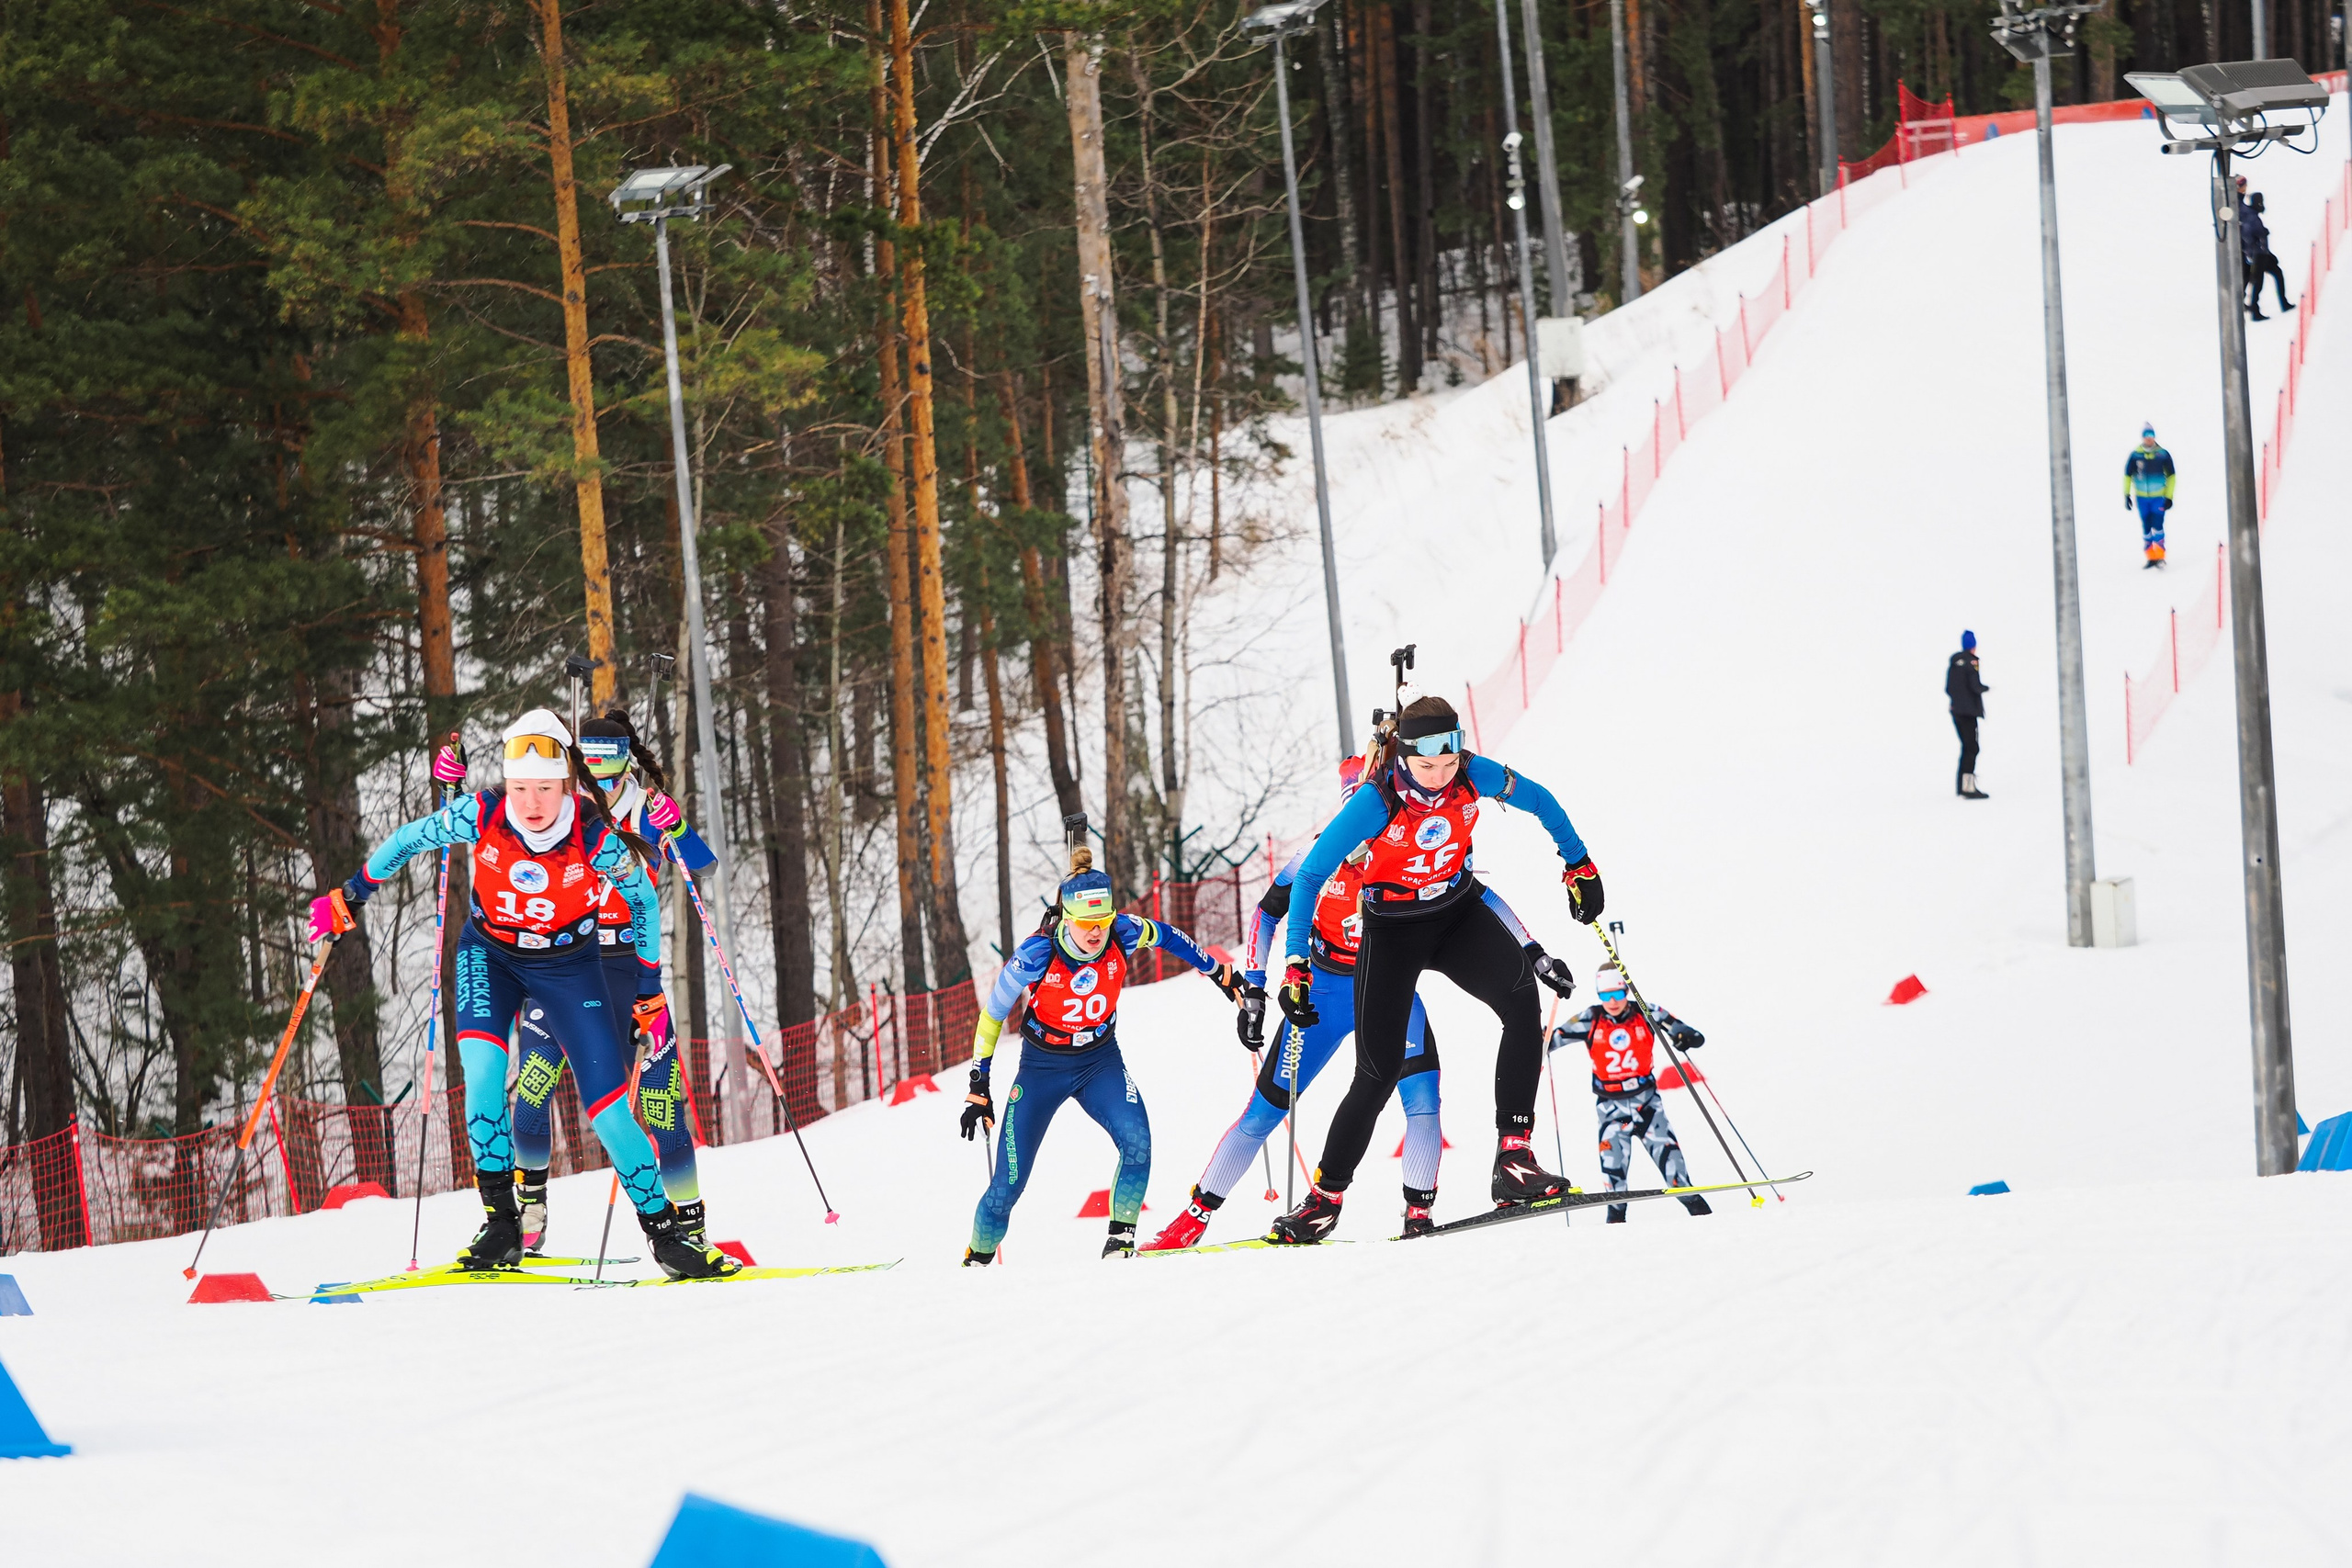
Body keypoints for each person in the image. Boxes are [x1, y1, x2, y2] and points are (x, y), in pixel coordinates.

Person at [306, 708, 734, 1280]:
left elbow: (645, 902)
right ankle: (502, 1224)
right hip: (491, 956)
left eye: (545, 789)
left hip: (569, 967)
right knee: (483, 1080)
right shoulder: (482, 813)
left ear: (567, 785)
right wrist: (351, 893)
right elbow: (410, 838)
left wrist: (650, 988)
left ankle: (668, 1237)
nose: (531, 802)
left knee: (609, 1110)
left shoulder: (594, 835)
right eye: (519, 787)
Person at [1141, 748, 1579, 1250]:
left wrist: (1532, 951)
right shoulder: (1318, 856)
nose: (1363, 842)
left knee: (1423, 1101)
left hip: (1391, 985)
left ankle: (1419, 1213)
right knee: (1264, 1113)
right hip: (1325, 993)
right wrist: (1258, 988)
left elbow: (1471, 893)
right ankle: (1194, 1220)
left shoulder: (1409, 834)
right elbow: (1266, 914)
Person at [1264, 692, 1601, 1245]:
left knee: (1521, 1002)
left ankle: (1513, 1160)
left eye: (1449, 763)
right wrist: (1296, 964)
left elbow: (1541, 801)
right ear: (1403, 757)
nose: (1441, 776)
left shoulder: (1473, 774)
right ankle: (1323, 1201)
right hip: (1393, 930)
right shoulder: (1374, 803)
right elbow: (1308, 878)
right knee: (1378, 1071)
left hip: (1455, 912)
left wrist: (1579, 861)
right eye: (1427, 766)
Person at [496, 713, 724, 1257]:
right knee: (531, 1090)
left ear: (625, 757)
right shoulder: (561, 807)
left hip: (631, 968)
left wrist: (675, 828)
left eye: (607, 754)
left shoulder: (646, 809)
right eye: (588, 756)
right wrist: (449, 787)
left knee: (661, 1105)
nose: (596, 766)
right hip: (563, 961)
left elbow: (704, 866)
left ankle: (688, 1228)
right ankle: (529, 1210)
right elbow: (499, 823)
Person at [958, 843, 1249, 1263]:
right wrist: (978, 1085)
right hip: (1042, 1068)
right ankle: (976, 1261)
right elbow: (991, 1017)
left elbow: (1170, 937)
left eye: (1102, 920)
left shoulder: (1123, 932)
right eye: (1086, 923)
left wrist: (1218, 972)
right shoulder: (1037, 954)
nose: (1096, 932)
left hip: (1099, 1061)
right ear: (1066, 919)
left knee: (1138, 1145)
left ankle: (1120, 1245)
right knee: (1007, 1186)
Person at [1547, 963, 1710, 1223]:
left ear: (1626, 991)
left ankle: (1707, 1221)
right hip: (1611, 1111)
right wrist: (1537, 1037)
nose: (1612, 1001)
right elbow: (1549, 1041)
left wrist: (1684, 1035)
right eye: (1605, 995)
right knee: (1614, 1186)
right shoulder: (1591, 1018)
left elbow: (1693, 1036)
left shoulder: (1646, 1012)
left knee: (1677, 1176)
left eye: (1618, 994)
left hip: (1648, 1106)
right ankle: (1615, 1237)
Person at [2123, 424, 2175, 570]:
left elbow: (2172, 476)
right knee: (2146, 527)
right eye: (2146, 436)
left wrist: (2169, 496)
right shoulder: (2135, 455)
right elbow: (2127, 476)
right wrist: (2126, 495)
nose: (2149, 439)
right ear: (2143, 437)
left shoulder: (2162, 454)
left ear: (2154, 437)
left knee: (2157, 526)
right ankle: (2151, 557)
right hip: (2141, 498)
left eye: (2151, 436)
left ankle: (2160, 556)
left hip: (2158, 497)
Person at [1947, 631, 1989, 801]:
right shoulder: (1972, 662)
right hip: (1969, 712)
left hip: (1956, 711)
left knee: (1966, 747)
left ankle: (1961, 786)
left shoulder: (1954, 664)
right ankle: (1968, 788)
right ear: (1973, 646)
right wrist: (1985, 689)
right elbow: (1975, 686)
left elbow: (1948, 688)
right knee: (1972, 748)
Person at [2242, 190, 2294, 321]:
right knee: (2258, 282)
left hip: (2261, 253)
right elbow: (2248, 235)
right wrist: (2259, 241)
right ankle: (2255, 311)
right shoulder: (2252, 217)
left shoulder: (2253, 215)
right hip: (2258, 255)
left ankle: (2281, 303)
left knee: (2274, 274)